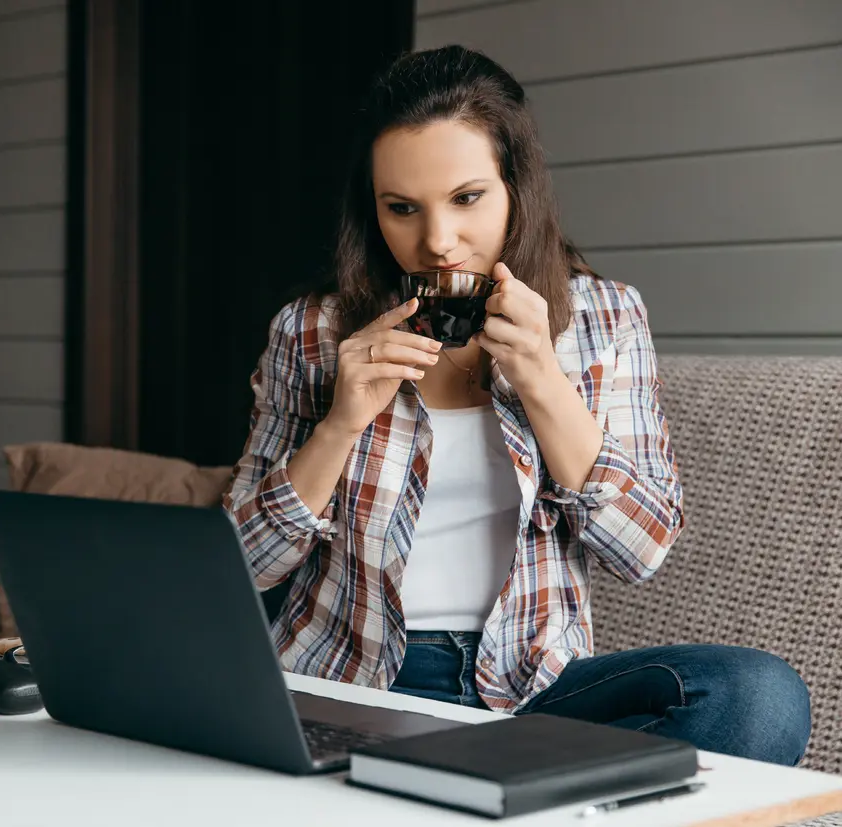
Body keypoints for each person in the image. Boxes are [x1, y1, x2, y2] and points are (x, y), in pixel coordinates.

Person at [223, 45, 810, 766]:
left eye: (467, 198)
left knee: (758, 696)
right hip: (352, 685)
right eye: (401, 208)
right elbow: (245, 565)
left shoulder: (604, 317)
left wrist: (541, 378)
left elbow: (643, 548)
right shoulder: (313, 331)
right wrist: (342, 420)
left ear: (516, 190)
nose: (437, 242)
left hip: (531, 693)